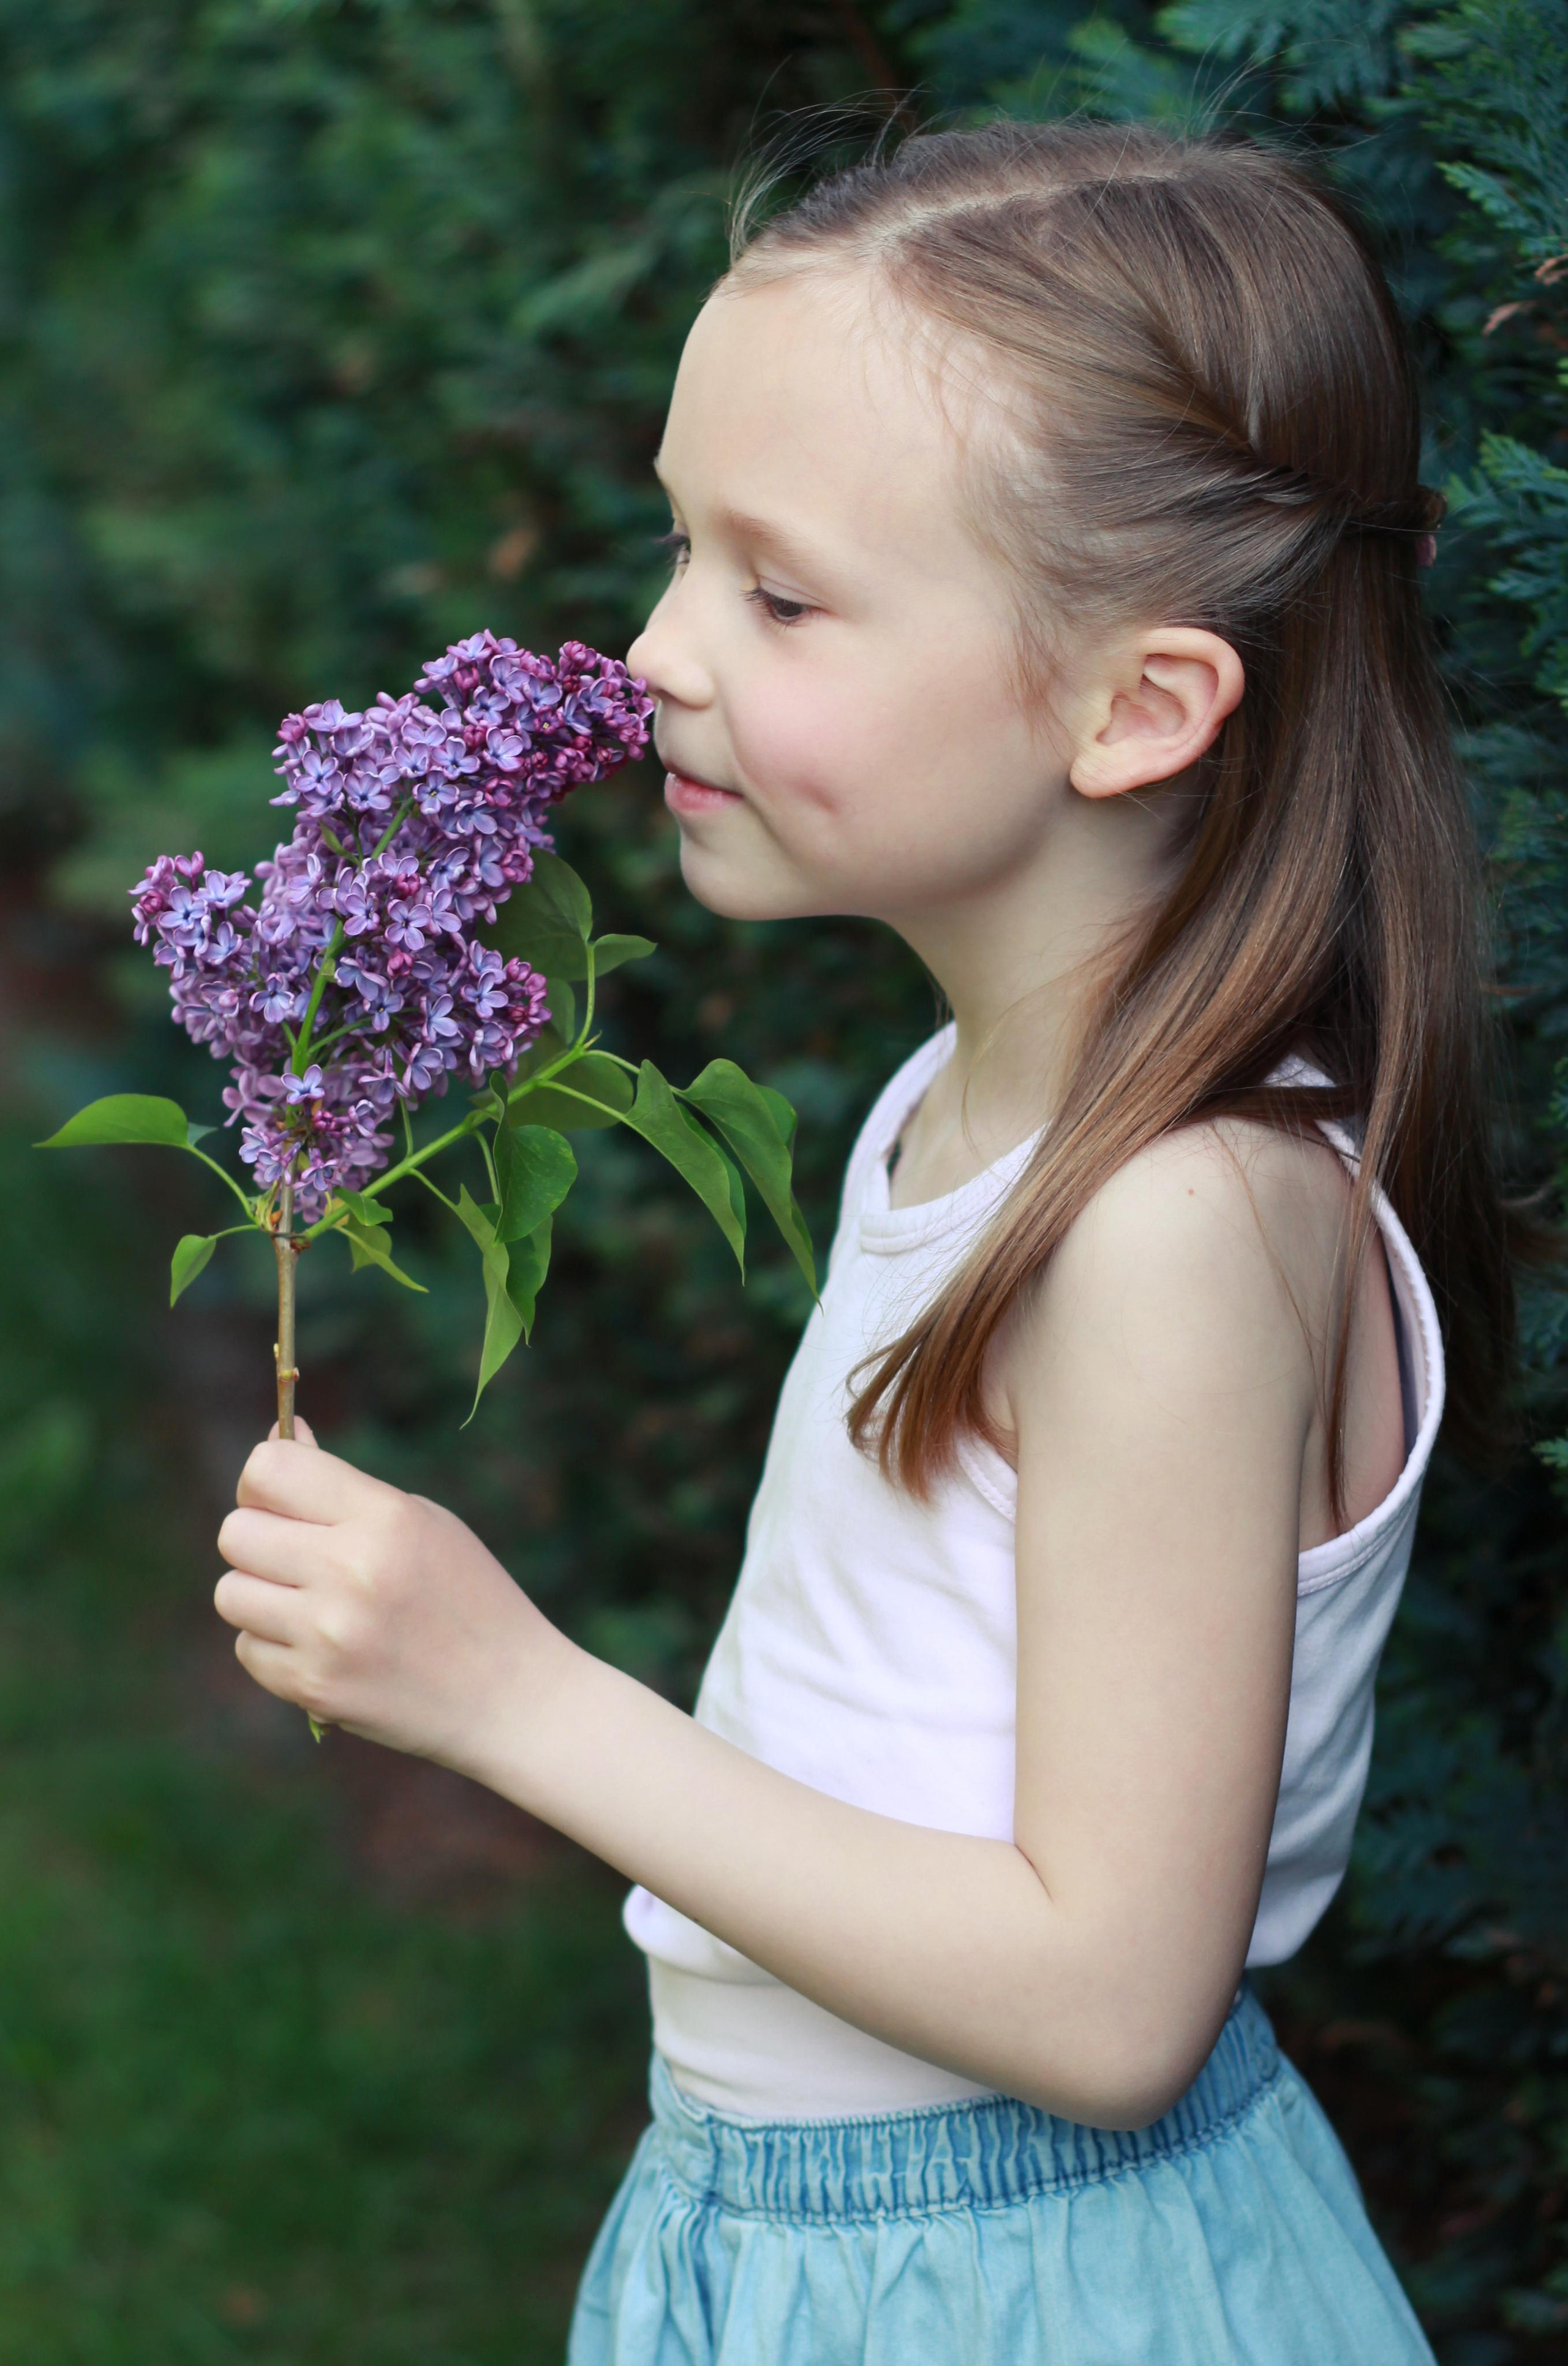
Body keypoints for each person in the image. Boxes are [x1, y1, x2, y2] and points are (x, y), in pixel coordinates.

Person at [212, 119, 1524, 2362]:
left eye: (780, 592)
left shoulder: (1174, 1224)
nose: (652, 656)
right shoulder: (970, 1110)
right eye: (677, 550)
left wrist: (512, 1696)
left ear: (1138, 706)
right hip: (823, 2232)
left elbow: (1112, 1999)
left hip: (1025, 2277)